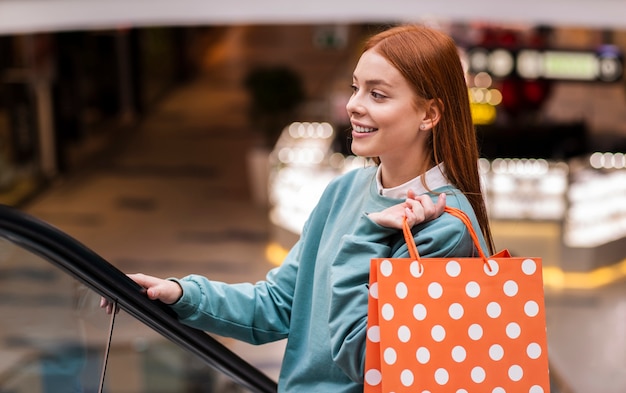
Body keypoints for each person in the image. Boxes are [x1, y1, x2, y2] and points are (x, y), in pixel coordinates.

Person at [102, 24, 494, 392]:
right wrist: (180, 293)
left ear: (430, 114)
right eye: (356, 88)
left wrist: (368, 236)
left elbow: (370, 360)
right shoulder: (345, 190)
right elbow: (280, 304)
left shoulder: (443, 228)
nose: (354, 105)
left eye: (378, 94)